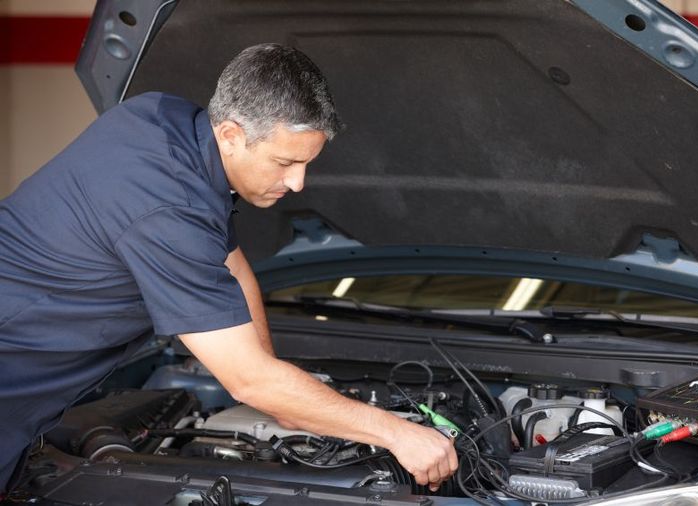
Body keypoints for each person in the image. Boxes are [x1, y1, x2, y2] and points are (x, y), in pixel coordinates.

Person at [0, 43, 457, 495]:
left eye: (306, 162)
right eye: (286, 162)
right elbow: (246, 380)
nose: (298, 182)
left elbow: (230, 262)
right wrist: (397, 433)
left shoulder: (160, 117)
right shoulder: (170, 209)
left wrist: (276, 384)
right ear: (232, 134)